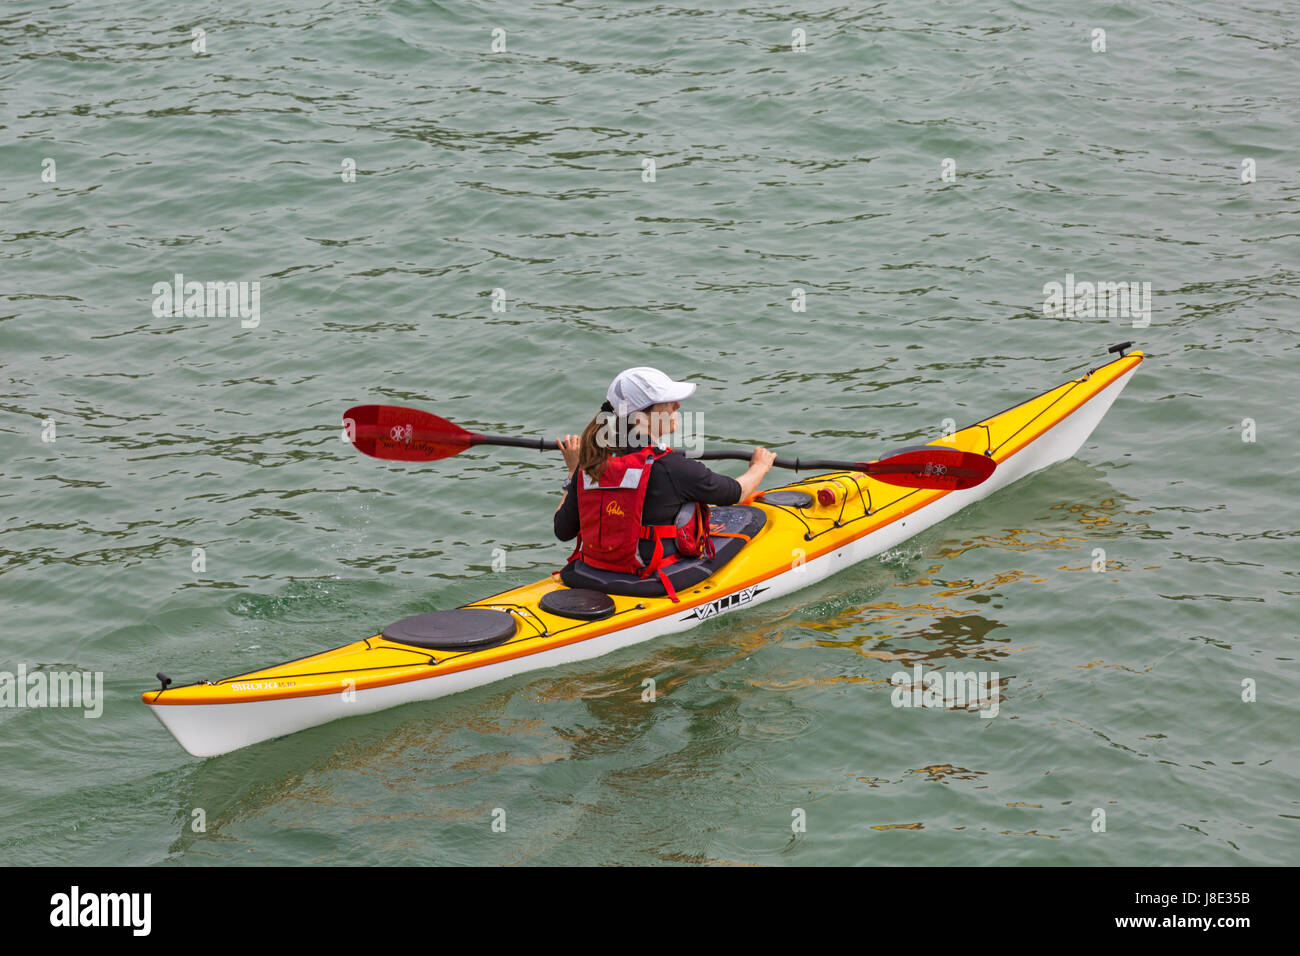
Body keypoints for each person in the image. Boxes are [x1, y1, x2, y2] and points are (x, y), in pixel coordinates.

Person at [553, 367, 776, 601]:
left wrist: (572, 471)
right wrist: (759, 466)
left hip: (589, 575)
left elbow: (562, 530)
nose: (677, 406)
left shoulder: (590, 465)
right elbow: (735, 492)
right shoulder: (672, 467)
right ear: (641, 418)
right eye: (668, 403)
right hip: (648, 581)